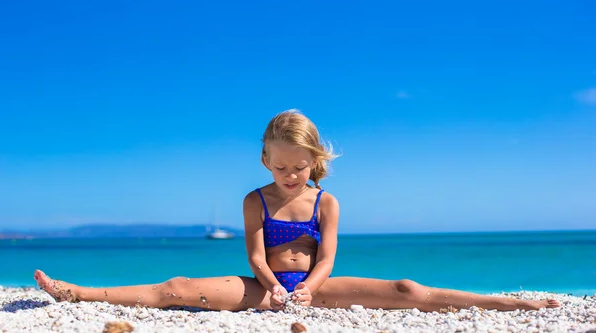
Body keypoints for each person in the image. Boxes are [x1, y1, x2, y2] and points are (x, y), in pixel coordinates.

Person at [34, 110, 560, 312]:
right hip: (264, 286)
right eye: (281, 166)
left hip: (317, 286)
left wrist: (308, 288)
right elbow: (255, 254)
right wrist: (275, 287)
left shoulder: (327, 202)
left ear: (315, 162)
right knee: (175, 287)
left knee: (406, 290)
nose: (290, 176)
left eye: (300, 168)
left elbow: (327, 256)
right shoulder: (254, 200)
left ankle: (505, 305)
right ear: (265, 159)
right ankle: (74, 291)